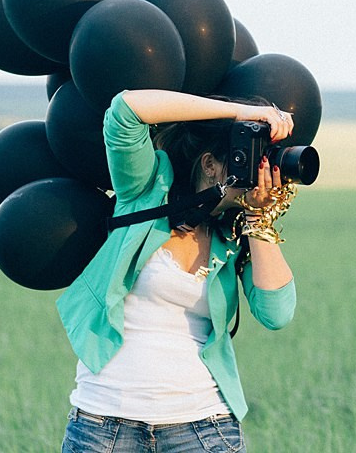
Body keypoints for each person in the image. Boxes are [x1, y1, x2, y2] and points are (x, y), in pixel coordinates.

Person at [58, 89, 298, 452]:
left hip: (204, 428)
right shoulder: (146, 187)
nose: (263, 172)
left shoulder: (236, 232)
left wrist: (257, 217)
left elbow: (276, 313)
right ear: (210, 164)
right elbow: (126, 110)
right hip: (103, 426)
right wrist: (239, 113)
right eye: (252, 158)